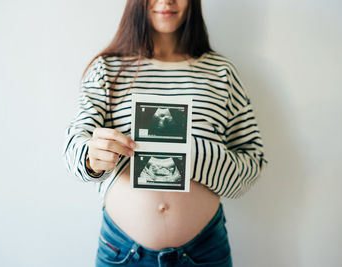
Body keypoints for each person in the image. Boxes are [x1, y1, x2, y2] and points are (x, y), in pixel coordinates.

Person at [62, 0, 268, 266]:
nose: (166, 0)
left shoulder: (221, 72)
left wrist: (193, 154)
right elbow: (73, 149)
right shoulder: (107, 70)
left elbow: (253, 163)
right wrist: (91, 157)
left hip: (205, 251)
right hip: (124, 253)